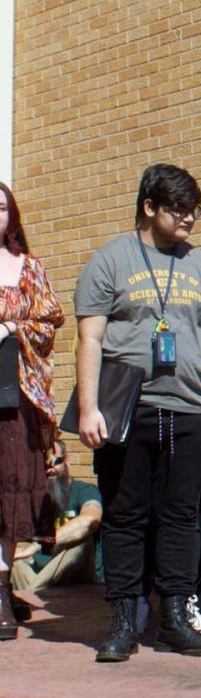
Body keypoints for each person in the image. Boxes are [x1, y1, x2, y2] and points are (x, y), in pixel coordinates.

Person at [75, 163, 201, 661]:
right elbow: (90, 337)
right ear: (149, 207)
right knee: (125, 517)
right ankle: (123, 620)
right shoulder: (110, 260)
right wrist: (87, 407)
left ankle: (173, 618)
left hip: (190, 407)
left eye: (195, 210)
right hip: (129, 406)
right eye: (179, 209)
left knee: (182, 517)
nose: (189, 219)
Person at [0, 181, 64, 641]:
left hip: (13, 400)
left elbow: (49, 320)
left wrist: (9, 327)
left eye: (1, 207)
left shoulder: (30, 268)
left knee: (9, 498)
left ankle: (1, 591)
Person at [10, 439, 103, 592]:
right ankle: (34, 595)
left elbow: (90, 521)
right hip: (41, 577)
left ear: (67, 462)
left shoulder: (84, 491)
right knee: (13, 563)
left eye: (55, 463)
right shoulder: (34, 503)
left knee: (80, 542)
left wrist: (39, 544)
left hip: (79, 576)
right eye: (43, 466)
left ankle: (32, 595)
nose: (49, 469)